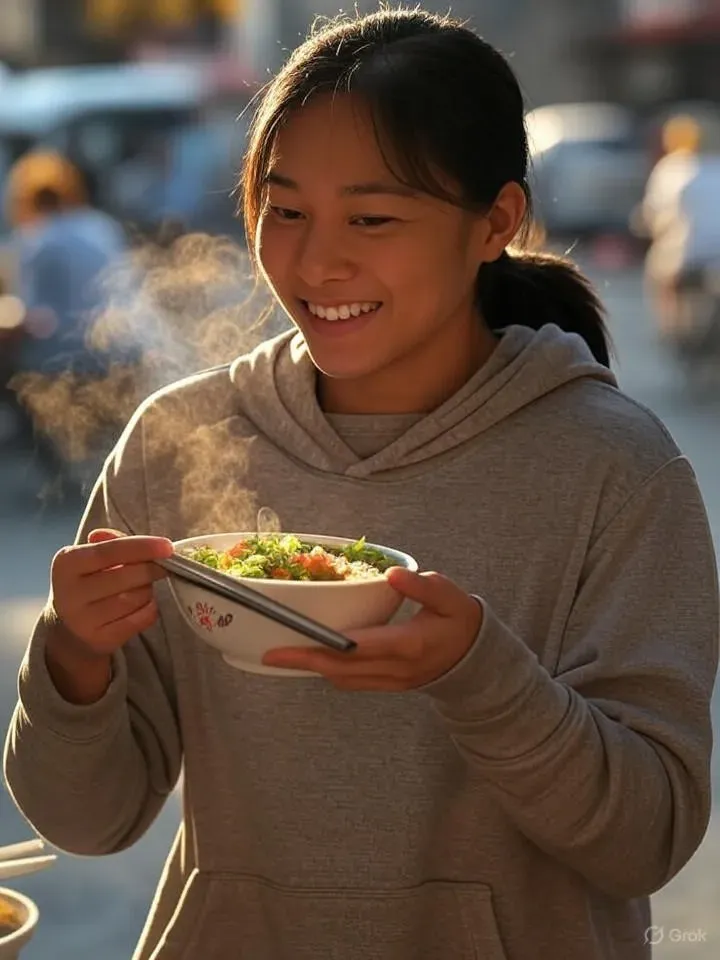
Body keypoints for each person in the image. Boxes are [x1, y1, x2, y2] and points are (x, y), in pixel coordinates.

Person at [3, 9, 718, 960]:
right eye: (284, 209)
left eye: (372, 218)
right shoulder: (182, 441)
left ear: (497, 221)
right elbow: (84, 822)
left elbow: (649, 839)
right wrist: (73, 657)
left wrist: (480, 678)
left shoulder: (612, 469)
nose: (314, 260)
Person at [5, 150, 127, 376]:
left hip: (67, 364)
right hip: (118, 352)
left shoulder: (38, 241)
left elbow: (35, 319)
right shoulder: (101, 226)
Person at [642, 113, 720, 338]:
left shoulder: (671, 169)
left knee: (657, 272)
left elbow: (653, 215)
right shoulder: (716, 167)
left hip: (684, 256)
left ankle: (670, 328)